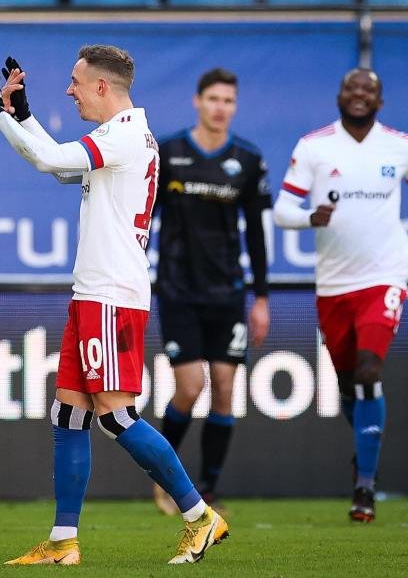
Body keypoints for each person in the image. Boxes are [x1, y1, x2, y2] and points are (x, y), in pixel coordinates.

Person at [0, 46, 228, 565]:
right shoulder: (123, 136)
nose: (68, 91)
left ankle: (199, 516)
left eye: (75, 82)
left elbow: (50, 160)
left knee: (114, 416)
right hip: (93, 292)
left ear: (102, 87)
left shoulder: (121, 136)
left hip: (112, 296)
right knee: (69, 413)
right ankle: (63, 542)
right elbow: (64, 170)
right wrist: (21, 115)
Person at [273, 68, 408, 522]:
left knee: (369, 370)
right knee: (350, 384)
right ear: (340, 95)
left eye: (368, 89)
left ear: (380, 101)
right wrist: (311, 217)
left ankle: (364, 487)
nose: (359, 95)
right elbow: (282, 210)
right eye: (352, 88)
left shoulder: (403, 146)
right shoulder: (314, 146)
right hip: (333, 284)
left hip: (385, 275)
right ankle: (364, 453)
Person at [152, 68, 271, 515]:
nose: (221, 107)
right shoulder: (171, 152)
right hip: (178, 289)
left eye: (229, 100)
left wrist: (261, 298)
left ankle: (208, 489)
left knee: (224, 388)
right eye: (214, 99)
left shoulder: (247, 158)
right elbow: (145, 217)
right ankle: (164, 475)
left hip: (228, 293)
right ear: (197, 101)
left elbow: (256, 235)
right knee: (190, 386)